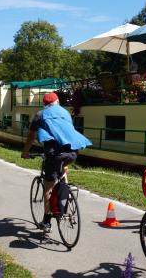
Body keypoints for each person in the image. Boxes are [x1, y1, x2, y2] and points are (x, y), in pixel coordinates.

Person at [21, 92, 92, 233]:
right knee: (63, 171)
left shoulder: (40, 115)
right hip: (73, 152)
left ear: (44, 104)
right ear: (57, 101)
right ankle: (65, 198)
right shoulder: (65, 112)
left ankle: (47, 222)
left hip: (55, 154)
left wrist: (25, 152)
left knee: (48, 187)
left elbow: (31, 136)